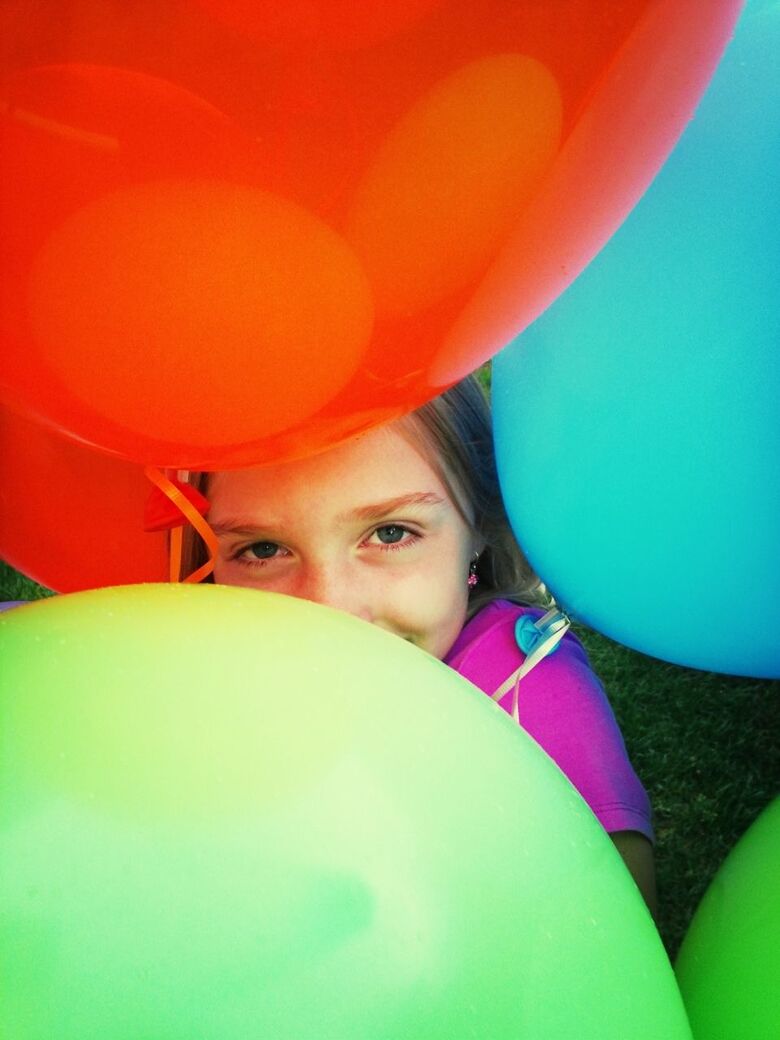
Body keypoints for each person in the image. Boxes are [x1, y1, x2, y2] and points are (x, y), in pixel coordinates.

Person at [181, 374, 657, 915]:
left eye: (390, 533)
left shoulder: (524, 694)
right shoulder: (211, 673)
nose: (330, 608)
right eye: (263, 549)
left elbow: (610, 935)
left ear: (479, 523)